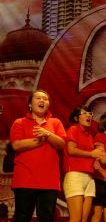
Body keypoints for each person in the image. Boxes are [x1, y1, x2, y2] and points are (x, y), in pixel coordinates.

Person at [10, 89, 66, 222]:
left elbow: (62, 144)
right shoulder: (19, 122)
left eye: (45, 99)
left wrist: (47, 134)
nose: (42, 101)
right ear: (30, 104)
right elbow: (16, 145)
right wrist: (39, 140)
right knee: (22, 216)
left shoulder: (55, 122)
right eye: (38, 98)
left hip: (49, 180)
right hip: (25, 179)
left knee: (46, 217)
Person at [63, 105, 103, 222]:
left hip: (89, 177)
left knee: (84, 219)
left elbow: (92, 154)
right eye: (85, 113)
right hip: (75, 175)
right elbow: (71, 150)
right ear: (76, 118)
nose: (89, 115)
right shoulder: (73, 129)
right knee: (76, 219)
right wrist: (92, 154)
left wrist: (97, 158)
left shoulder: (90, 136)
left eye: (90, 113)